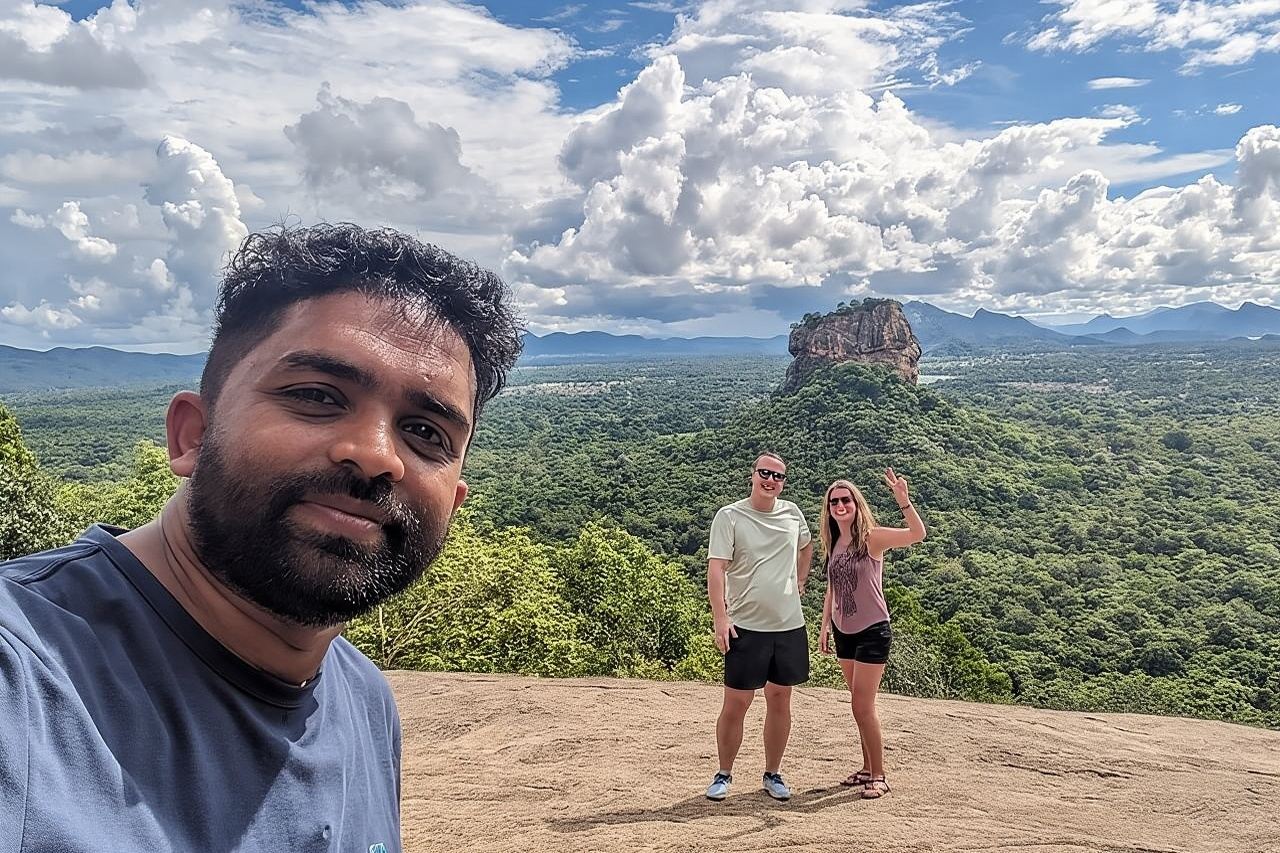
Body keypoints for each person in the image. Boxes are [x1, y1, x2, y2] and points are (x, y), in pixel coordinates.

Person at [0, 224, 522, 852]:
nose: (376, 455)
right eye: (316, 395)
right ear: (193, 435)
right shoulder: (25, 677)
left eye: (427, 433)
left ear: (454, 503)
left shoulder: (365, 703)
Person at [704, 452, 814, 802]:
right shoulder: (730, 516)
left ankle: (772, 773)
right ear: (752, 475)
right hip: (746, 626)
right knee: (737, 703)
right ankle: (724, 774)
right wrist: (720, 617)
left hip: (788, 625)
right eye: (765, 473)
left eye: (778, 476)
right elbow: (717, 569)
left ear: (784, 482)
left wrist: (800, 579)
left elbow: (807, 546)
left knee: (781, 699)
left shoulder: (792, 512)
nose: (771, 481)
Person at [817, 469, 926, 799]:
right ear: (829, 508)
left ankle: (879, 775)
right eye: (834, 501)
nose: (840, 505)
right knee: (857, 704)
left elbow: (917, 534)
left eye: (845, 499)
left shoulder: (872, 538)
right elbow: (832, 589)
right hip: (843, 631)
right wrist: (824, 626)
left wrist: (903, 500)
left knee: (863, 706)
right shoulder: (834, 542)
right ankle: (866, 768)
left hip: (872, 630)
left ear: (856, 503)